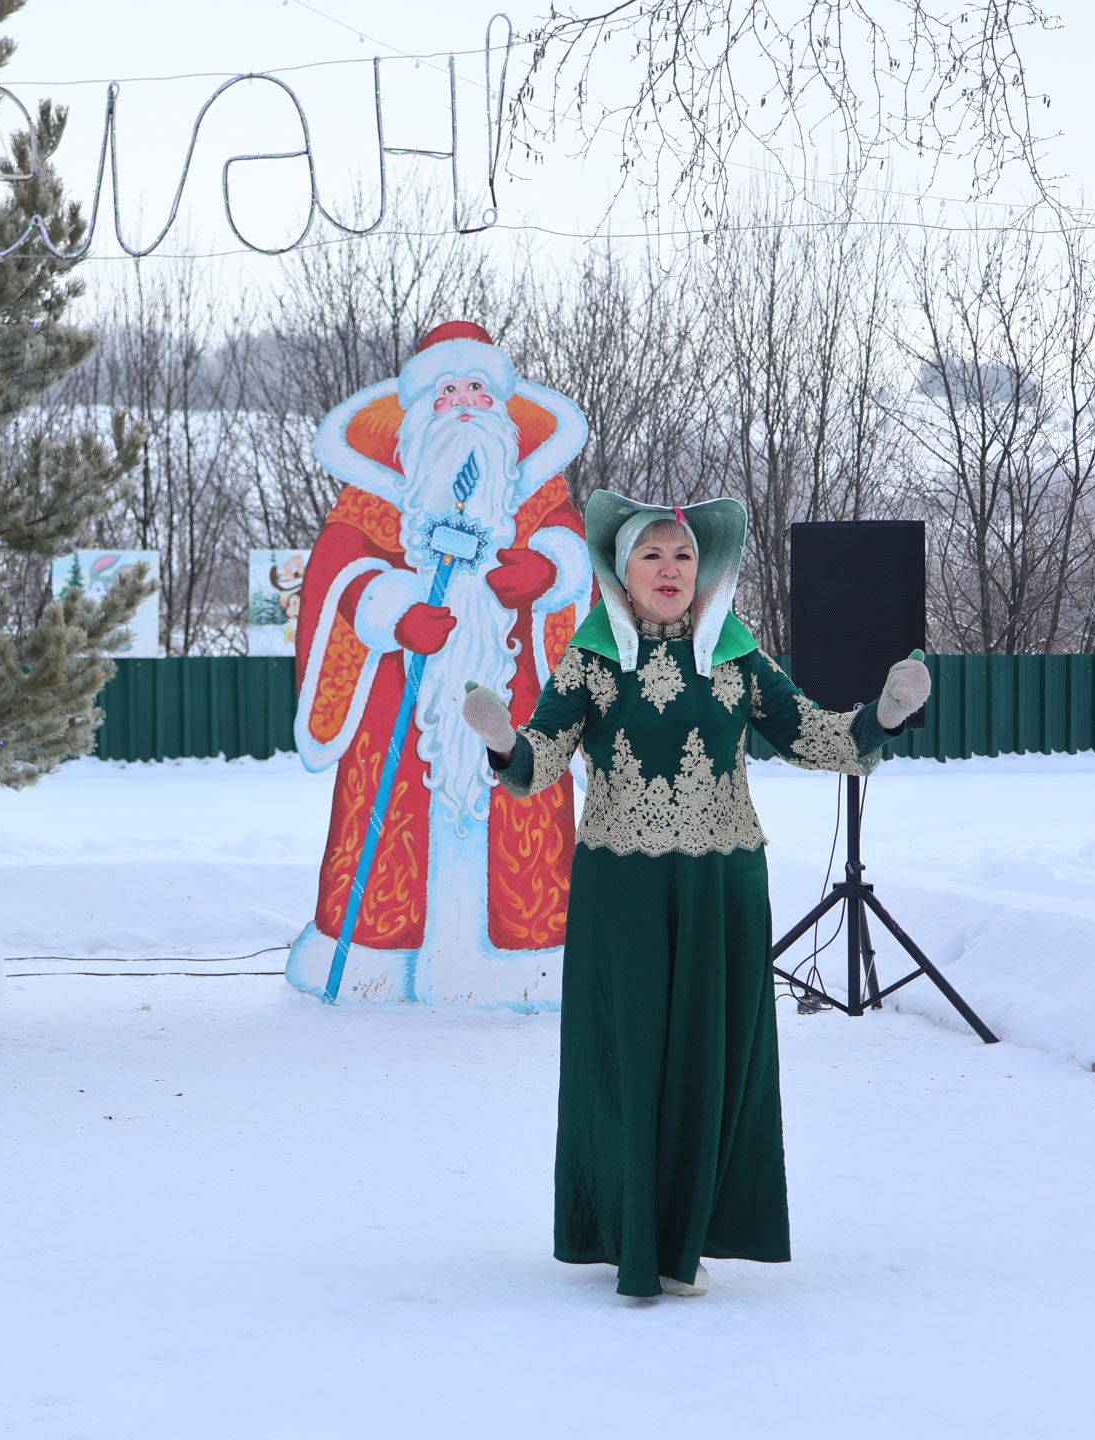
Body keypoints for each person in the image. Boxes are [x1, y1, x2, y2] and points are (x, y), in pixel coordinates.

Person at [461, 490, 930, 1297]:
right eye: (652, 555)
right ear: (622, 572)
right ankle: (633, 1231)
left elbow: (809, 734)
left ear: (704, 568)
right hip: (624, 889)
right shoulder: (593, 657)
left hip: (721, 884)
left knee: (710, 1057)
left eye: (683, 556)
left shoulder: (737, 655)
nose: (670, 569)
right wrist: (506, 745)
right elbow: (538, 761)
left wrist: (878, 722)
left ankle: (689, 1239)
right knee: (632, 1053)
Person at [287, 322, 593, 1005]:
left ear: (503, 408)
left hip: (513, 690)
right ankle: (375, 958)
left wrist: (546, 571)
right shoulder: (374, 495)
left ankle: (529, 960)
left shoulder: (536, 491)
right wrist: (390, 608)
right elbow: (336, 568)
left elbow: (573, 553)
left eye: (478, 390)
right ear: (419, 409)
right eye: (447, 390)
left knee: (524, 810)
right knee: (391, 818)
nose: (463, 403)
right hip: (400, 702)